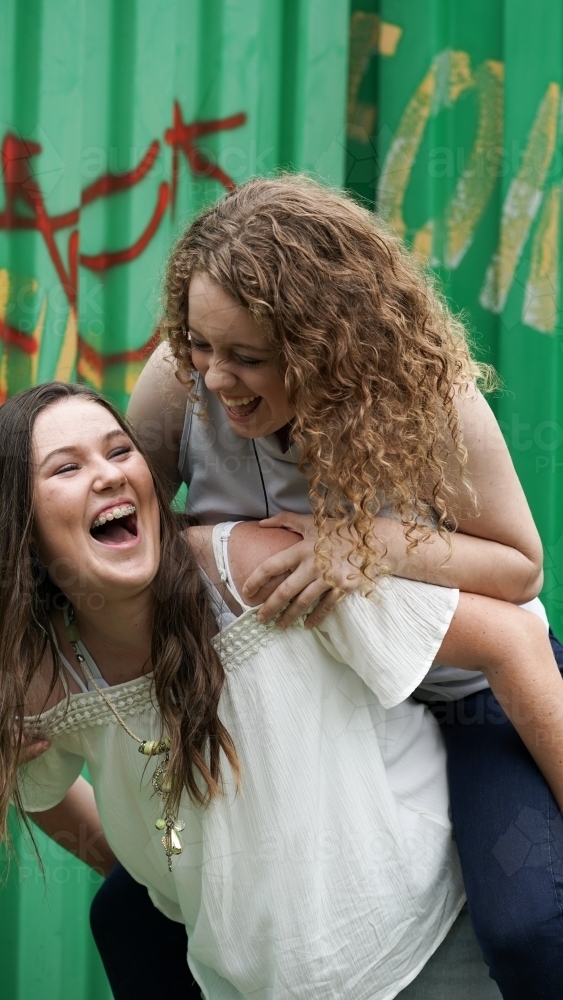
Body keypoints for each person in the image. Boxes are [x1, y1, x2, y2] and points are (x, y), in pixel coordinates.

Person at [118, 175, 563, 997]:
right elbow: (122, 531)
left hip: (462, 692)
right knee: (131, 916)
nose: (214, 377)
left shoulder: (425, 394)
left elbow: (518, 566)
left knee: (528, 925)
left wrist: (360, 543)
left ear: (326, 343)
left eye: (247, 357)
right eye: (199, 345)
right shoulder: (178, 378)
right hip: (302, 703)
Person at [7, 381, 563, 1000]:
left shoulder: (258, 572)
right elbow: (36, 788)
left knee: (531, 927)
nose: (109, 475)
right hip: (251, 983)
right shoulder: (39, 679)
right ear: (21, 524)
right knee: (120, 920)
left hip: (421, 947)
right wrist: (177, 882)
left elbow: (514, 637)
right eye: (67, 467)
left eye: (119, 451)